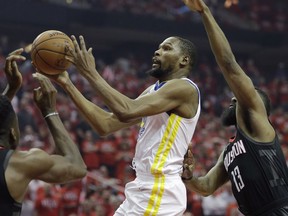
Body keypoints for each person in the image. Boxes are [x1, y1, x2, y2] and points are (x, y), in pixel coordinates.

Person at [45, 31, 201, 214]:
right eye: (158, 48)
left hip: (160, 190)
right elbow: (106, 124)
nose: (157, 52)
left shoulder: (184, 87)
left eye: (166, 48)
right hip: (142, 188)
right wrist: (67, 83)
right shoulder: (153, 90)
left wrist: (89, 72)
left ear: (184, 60)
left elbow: (127, 111)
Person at [181, 0, 288, 215]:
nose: (233, 98)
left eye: (240, 97)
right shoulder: (229, 151)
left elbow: (229, 65)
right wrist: (189, 177)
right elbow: (206, 187)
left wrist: (205, 13)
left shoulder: (259, 127)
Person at [0, 48, 87, 216]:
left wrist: (10, 91)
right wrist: (49, 111)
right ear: (13, 133)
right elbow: (77, 167)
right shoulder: (20, 163)